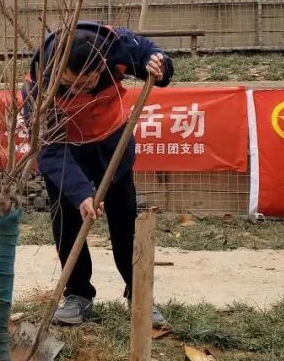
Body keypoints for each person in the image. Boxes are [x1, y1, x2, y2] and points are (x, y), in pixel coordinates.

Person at [24, 21, 173, 327]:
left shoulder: (115, 45)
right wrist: (81, 194)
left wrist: (160, 66)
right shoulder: (38, 86)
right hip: (66, 149)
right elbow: (49, 150)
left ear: (100, 65)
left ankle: (139, 293)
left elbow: (151, 55)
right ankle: (78, 294)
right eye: (70, 83)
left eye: (86, 82)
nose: (78, 90)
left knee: (125, 222)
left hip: (112, 143)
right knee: (67, 224)